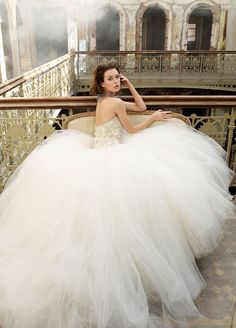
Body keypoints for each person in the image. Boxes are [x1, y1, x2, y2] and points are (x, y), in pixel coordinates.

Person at [0, 61, 234, 328]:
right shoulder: (115, 103)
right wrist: (154, 119)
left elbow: (140, 106)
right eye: (111, 79)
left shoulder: (106, 100)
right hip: (109, 153)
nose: (115, 82)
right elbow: (134, 128)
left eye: (117, 78)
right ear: (101, 84)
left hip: (98, 151)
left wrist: (130, 85)